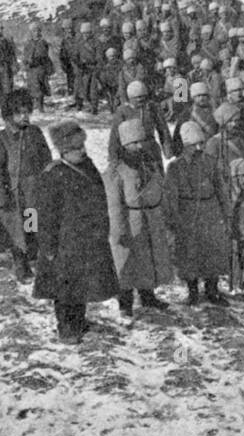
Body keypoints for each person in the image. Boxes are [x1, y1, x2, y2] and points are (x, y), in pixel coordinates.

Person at [34, 120, 122, 343]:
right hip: (64, 243)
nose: (82, 151)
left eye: (83, 146)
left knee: (82, 284)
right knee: (64, 289)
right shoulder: (52, 174)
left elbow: (100, 198)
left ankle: (79, 321)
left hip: (87, 239)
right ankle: (66, 328)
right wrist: (48, 246)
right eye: (76, 148)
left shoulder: (87, 165)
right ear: (63, 151)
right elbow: (45, 215)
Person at [106, 117, 174, 317]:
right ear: (125, 144)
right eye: (134, 143)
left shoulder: (149, 164)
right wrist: (118, 230)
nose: (139, 146)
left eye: (141, 141)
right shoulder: (116, 170)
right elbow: (114, 203)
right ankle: (125, 303)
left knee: (148, 259)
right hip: (130, 220)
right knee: (127, 263)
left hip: (150, 217)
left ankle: (148, 296)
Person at [0, 87, 52, 284]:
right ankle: (20, 263)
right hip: (13, 196)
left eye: (27, 112)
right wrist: (0, 199)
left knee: (31, 227)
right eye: (19, 113)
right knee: (16, 231)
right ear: (8, 115)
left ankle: (32, 258)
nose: (25, 116)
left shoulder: (35, 133)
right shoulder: (0, 140)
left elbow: (46, 159)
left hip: (33, 193)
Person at [162, 121, 231, 306]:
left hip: (210, 210)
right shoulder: (175, 167)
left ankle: (212, 289)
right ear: (185, 145)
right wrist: (173, 218)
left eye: (201, 143)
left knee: (212, 250)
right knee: (188, 252)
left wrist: (226, 212)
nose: (199, 148)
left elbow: (221, 189)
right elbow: (170, 195)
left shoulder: (210, 162)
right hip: (187, 212)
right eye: (194, 145)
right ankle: (192, 291)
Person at [24, 24, 54, 112]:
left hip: (40, 68)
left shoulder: (43, 42)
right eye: (34, 31)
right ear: (31, 32)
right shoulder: (28, 43)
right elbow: (25, 55)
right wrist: (26, 63)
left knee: (40, 87)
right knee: (32, 88)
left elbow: (45, 55)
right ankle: (34, 106)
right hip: (31, 69)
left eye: (37, 31)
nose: (36, 33)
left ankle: (40, 107)